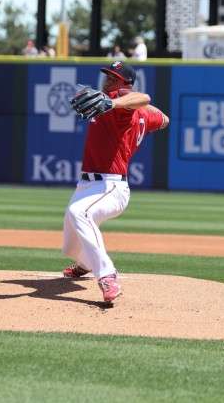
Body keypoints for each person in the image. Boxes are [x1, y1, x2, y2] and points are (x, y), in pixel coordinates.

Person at [61, 61, 169, 303]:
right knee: (69, 246)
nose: (107, 82)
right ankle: (85, 264)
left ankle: (107, 276)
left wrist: (117, 101)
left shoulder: (119, 105)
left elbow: (144, 97)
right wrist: (145, 113)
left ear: (125, 86)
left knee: (80, 213)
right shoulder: (129, 109)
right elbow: (164, 119)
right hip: (88, 186)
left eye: (113, 79)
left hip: (110, 186)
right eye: (106, 77)